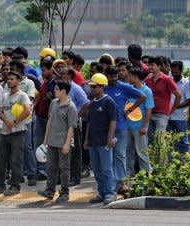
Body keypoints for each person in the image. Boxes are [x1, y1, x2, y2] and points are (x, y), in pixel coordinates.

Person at [104, 65, 145, 194]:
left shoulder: (123, 86)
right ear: (106, 76)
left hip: (121, 127)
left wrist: (130, 109)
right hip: (105, 128)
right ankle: (110, 183)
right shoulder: (103, 87)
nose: (114, 79)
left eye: (115, 76)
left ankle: (121, 182)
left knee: (120, 155)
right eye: (111, 76)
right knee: (108, 156)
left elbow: (142, 96)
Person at [37, 80, 77, 203]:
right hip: (52, 141)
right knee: (51, 167)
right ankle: (50, 190)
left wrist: (67, 144)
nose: (54, 91)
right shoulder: (53, 103)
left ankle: (65, 192)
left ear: (63, 91)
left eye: (56, 89)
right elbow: (49, 121)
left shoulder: (71, 107)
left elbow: (71, 127)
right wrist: (45, 139)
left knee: (64, 168)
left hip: (63, 142)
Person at [0, 71, 31, 197]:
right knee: (0, 159)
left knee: (16, 159)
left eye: (12, 79)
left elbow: (27, 111)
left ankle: (15, 185)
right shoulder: (4, 96)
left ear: (18, 80)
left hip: (18, 132)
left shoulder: (22, 96)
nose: (9, 81)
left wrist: (14, 122)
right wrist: (8, 123)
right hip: (5, 132)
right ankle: (0, 185)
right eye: (8, 79)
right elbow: (0, 112)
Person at [83, 73, 117, 206]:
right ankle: (101, 192)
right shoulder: (92, 103)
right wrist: (86, 139)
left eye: (95, 86)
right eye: (91, 86)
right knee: (96, 170)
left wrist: (110, 138)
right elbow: (89, 123)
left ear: (102, 86)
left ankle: (110, 193)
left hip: (104, 141)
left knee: (106, 169)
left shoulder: (109, 102)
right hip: (93, 141)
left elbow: (113, 121)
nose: (92, 89)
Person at [7, 59, 37, 186]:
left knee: (27, 147)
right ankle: (17, 174)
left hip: (25, 120)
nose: (11, 73)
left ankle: (31, 174)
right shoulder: (7, 84)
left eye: (14, 69)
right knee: (14, 149)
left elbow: (28, 102)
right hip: (10, 121)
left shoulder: (29, 83)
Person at [60, 68, 90, 186]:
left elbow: (86, 103)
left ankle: (75, 177)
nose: (60, 76)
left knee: (75, 151)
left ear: (70, 76)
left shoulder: (76, 88)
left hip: (74, 124)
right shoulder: (62, 88)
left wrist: (77, 116)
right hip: (62, 124)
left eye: (63, 74)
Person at [144, 56, 181, 144]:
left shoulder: (167, 79)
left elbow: (178, 95)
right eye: (149, 65)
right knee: (150, 140)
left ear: (159, 66)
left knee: (159, 140)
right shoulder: (148, 79)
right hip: (150, 113)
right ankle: (153, 158)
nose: (150, 67)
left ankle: (161, 158)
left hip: (162, 114)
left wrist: (172, 110)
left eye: (152, 65)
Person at [126, 68, 154, 175]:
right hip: (128, 125)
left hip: (139, 126)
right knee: (128, 151)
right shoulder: (130, 89)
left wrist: (144, 126)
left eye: (130, 76)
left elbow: (148, 109)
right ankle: (129, 172)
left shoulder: (146, 91)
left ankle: (146, 172)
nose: (128, 78)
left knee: (141, 151)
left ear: (136, 77)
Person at [34, 57, 55, 180]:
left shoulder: (55, 84)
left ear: (50, 70)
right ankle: (41, 169)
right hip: (41, 117)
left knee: (47, 145)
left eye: (44, 70)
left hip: (49, 119)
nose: (42, 73)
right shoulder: (45, 83)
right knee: (40, 144)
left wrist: (49, 98)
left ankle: (47, 169)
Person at [167, 61, 190, 154]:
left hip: (180, 117)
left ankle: (182, 162)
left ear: (181, 70)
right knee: (168, 141)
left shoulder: (186, 83)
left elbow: (189, 100)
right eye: (172, 72)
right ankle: (170, 163)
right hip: (168, 117)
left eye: (176, 72)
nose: (174, 74)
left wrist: (175, 106)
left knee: (182, 141)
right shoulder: (168, 80)